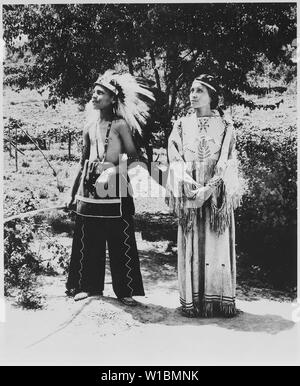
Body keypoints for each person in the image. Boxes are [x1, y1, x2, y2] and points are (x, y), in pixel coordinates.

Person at [65, 70, 155, 306]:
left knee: (120, 239)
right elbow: (83, 162)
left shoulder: (120, 125)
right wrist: (72, 193)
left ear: (113, 98)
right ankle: (87, 286)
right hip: (89, 191)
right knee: (88, 239)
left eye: (100, 92)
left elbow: (136, 160)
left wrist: (113, 171)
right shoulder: (88, 127)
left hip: (116, 190)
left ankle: (125, 290)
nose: (94, 96)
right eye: (93, 92)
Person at [165, 74, 242, 317]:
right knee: (192, 245)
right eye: (191, 89)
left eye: (200, 91)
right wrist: (189, 187)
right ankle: (194, 302)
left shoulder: (226, 126)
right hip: (190, 193)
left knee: (215, 246)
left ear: (212, 96)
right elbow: (174, 155)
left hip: (216, 196)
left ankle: (218, 302)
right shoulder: (180, 124)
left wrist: (209, 189)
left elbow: (228, 160)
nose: (193, 94)